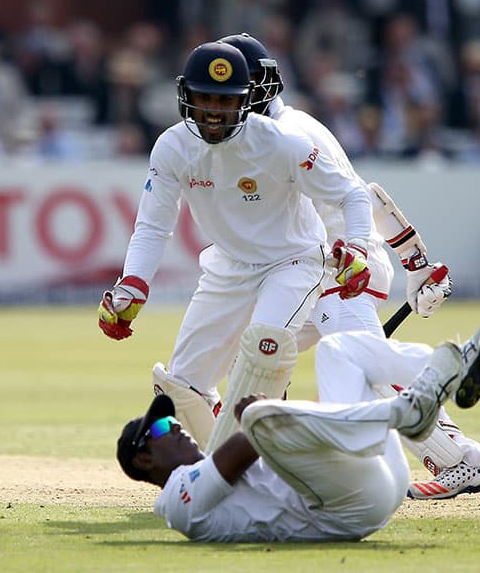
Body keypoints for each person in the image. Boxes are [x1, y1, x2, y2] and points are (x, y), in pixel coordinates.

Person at [219, 32, 480, 499]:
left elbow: (357, 196)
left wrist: (415, 263)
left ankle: (464, 456)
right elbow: (366, 193)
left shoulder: (288, 136)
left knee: (372, 373)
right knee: (260, 359)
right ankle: (258, 463)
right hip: (322, 273)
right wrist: (415, 262)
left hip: (338, 274)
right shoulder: (290, 128)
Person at [98, 41, 374, 450]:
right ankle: (225, 472)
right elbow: (153, 226)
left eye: (225, 101)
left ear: (246, 102)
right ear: (184, 96)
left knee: (261, 358)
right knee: (179, 388)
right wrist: (132, 285)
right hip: (228, 266)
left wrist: (358, 247)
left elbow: (353, 194)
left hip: (292, 262)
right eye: (203, 98)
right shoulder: (173, 147)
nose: (212, 112)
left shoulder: (281, 142)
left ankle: (263, 470)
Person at [116, 306, 480, 542]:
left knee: (338, 349)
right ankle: (407, 410)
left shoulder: (199, 469)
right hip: (343, 510)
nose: (177, 425)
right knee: (258, 419)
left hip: (374, 475)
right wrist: (260, 411)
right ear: (145, 460)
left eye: (170, 418)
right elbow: (241, 448)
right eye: (162, 428)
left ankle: (458, 364)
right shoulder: (174, 503)